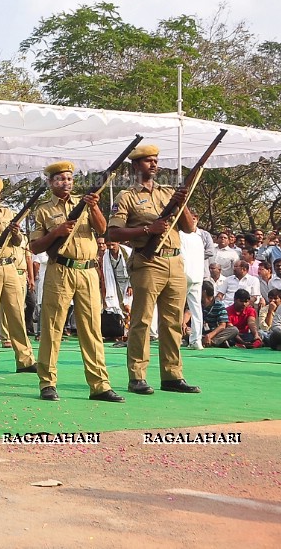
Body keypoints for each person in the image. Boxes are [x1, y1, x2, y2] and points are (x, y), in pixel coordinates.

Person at [106, 143, 200, 395]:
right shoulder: (126, 197)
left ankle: (172, 375)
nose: (154, 164)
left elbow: (189, 227)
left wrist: (183, 203)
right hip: (148, 262)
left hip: (175, 261)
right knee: (142, 321)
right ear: (136, 166)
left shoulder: (169, 193)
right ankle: (137, 376)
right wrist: (147, 230)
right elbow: (113, 231)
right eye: (148, 160)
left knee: (172, 322)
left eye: (156, 160)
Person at [28, 161, 122, 403]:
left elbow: (103, 231)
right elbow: (35, 245)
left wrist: (94, 208)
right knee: (52, 328)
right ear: (50, 183)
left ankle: (100, 384)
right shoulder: (44, 210)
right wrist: (56, 233)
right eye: (60, 179)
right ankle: (47, 382)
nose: (66, 183)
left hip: (88, 270)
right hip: (60, 269)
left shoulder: (86, 202)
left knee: (92, 329)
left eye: (69, 179)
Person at [0, 176, 37, 377]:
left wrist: (14, 233)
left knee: (17, 315)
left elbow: (18, 241)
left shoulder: (8, 213)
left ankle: (25, 359)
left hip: (10, 266)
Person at [200, 282, 238, 348]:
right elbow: (188, 313)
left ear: (204, 292)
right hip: (199, 332)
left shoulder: (219, 304)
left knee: (234, 330)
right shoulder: (197, 303)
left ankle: (211, 342)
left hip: (214, 332)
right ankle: (217, 342)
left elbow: (222, 325)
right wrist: (184, 324)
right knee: (186, 330)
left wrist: (210, 335)